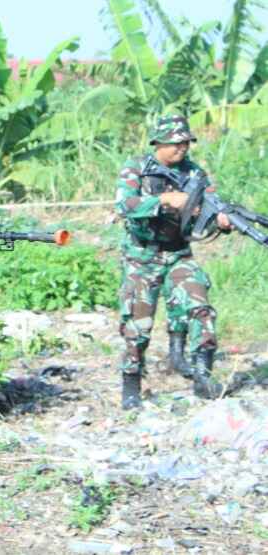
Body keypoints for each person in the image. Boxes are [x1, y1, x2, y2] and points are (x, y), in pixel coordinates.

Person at [115, 115, 232, 409]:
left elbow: (208, 207)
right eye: (175, 144)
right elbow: (124, 205)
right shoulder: (137, 169)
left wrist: (220, 221)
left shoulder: (195, 173)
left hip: (179, 253)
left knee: (201, 308)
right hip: (143, 257)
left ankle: (203, 376)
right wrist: (165, 200)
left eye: (185, 143)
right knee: (138, 326)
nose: (181, 149)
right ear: (159, 143)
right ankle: (131, 385)